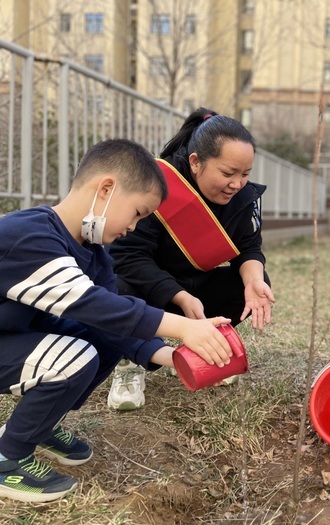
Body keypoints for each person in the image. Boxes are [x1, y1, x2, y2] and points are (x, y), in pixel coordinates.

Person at [0, 139, 236, 503]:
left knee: (102, 340)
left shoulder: (93, 254)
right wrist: (185, 327)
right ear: (106, 188)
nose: (133, 227)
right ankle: (7, 458)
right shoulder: (29, 236)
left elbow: (114, 324)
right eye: (138, 212)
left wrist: (175, 357)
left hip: (11, 336)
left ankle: (39, 427)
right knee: (74, 355)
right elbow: (96, 305)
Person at [107, 108, 275, 410]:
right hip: (148, 288)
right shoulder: (157, 184)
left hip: (194, 287)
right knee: (118, 288)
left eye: (245, 174)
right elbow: (128, 256)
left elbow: (249, 248)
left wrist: (254, 280)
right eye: (227, 173)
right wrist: (180, 296)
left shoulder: (241, 197)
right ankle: (128, 364)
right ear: (196, 162)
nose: (237, 184)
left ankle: (194, 352)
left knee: (250, 284)